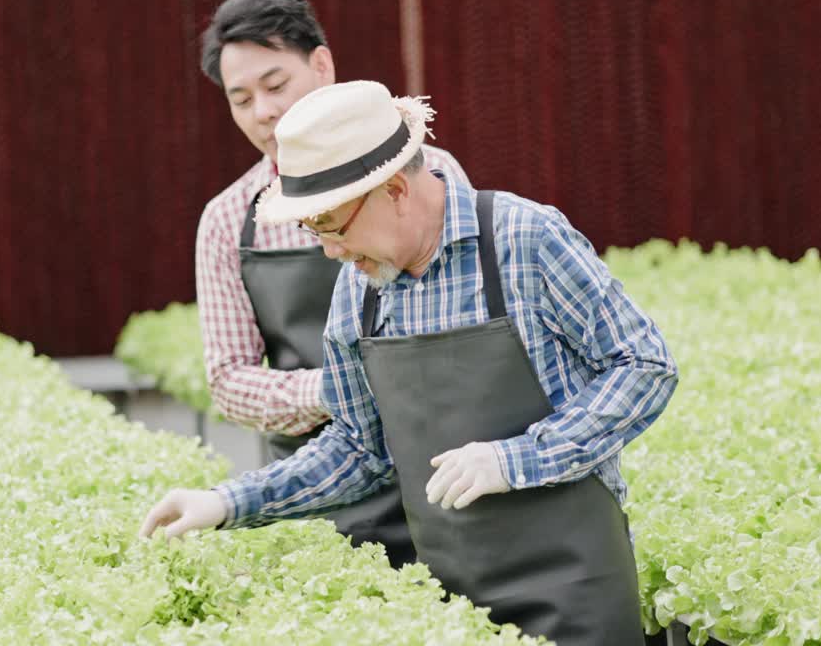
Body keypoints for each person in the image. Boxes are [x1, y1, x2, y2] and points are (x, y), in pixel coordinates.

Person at [141, 80, 679, 645]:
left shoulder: (524, 238)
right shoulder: (357, 293)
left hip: (577, 588)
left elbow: (643, 364)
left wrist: (517, 459)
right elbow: (357, 448)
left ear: (394, 189)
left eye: (330, 226)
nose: (328, 251)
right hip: (452, 606)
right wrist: (226, 502)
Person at [192, 0, 469, 568]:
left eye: (275, 84)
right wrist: (342, 389)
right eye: (241, 99)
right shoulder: (227, 221)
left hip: (445, 474)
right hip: (315, 493)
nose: (264, 112)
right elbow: (228, 380)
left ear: (322, 65)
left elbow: (472, 327)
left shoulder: (429, 173)